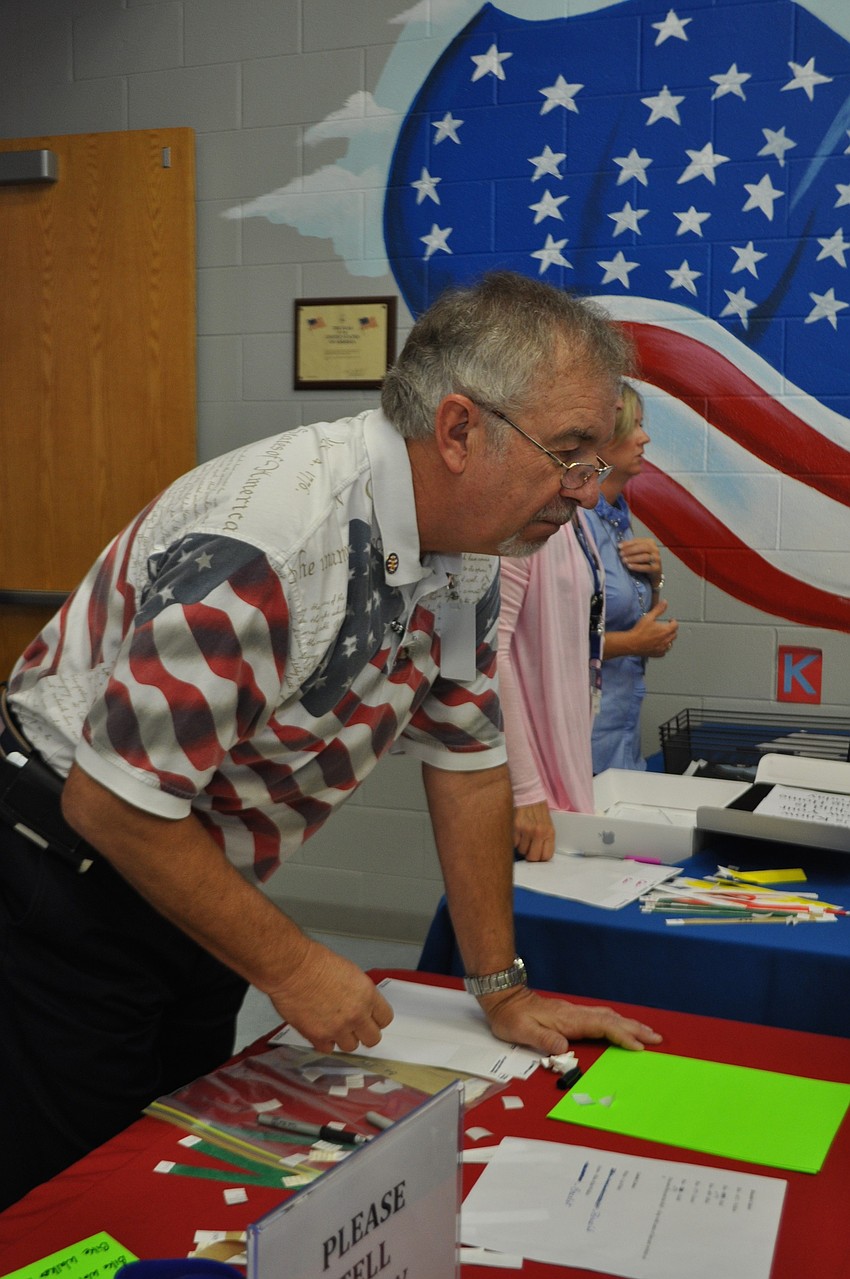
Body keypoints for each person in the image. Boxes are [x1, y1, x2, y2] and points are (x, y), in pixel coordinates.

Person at [0, 271, 661, 1210]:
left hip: (192, 865)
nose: (588, 492)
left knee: (173, 1152)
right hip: (63, 864)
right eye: (570, 454)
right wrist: (295, 965)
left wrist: (502, 987)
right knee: (74, 1189)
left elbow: (468, 761)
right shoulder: (274, 542)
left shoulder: (475, 543)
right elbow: (112, 802)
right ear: (461, 430)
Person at [498, 506, 604, 863]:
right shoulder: (518, 517)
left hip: (565, 769)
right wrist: (527, 792)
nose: (592, 494)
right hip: (532, 792)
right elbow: (489, 658)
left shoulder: (578, 521)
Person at [584, 383, 678, 773]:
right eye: (634, 426)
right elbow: (547, 644)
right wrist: (634, 643)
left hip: (620, 730)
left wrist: (655, 581)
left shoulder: (617, 518)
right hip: (582, 736)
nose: (645, 438)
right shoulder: (574, 522)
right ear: (602, 439)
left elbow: (630, 612)